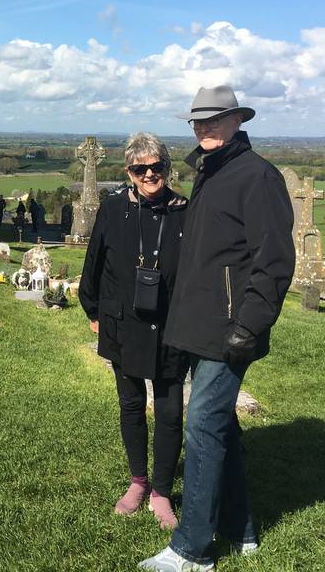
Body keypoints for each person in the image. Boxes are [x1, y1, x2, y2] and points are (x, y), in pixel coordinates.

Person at [139, 87, 295, 572]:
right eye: (197, 121)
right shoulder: (210, 172)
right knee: (221, 424)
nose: (203, 128)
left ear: (235, 120)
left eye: (214, 119)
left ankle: (192, 550)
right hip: (197, 324)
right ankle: (241, 527)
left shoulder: (257, 177)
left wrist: (248, 327)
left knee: (203, 425)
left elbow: (273, 262)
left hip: (230, 330)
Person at [79, 132, 188, 531]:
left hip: (170, 325)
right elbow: (94, 261)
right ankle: (138, 481)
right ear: (128, 171)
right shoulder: (113, 209)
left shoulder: (183, 211)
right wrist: (92, 309)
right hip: (122, 321)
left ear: (167, 168)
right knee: (130, 405)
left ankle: (161, 492)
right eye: (140, 168)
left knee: (171, 412)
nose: (149, 174)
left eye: (156, 167)